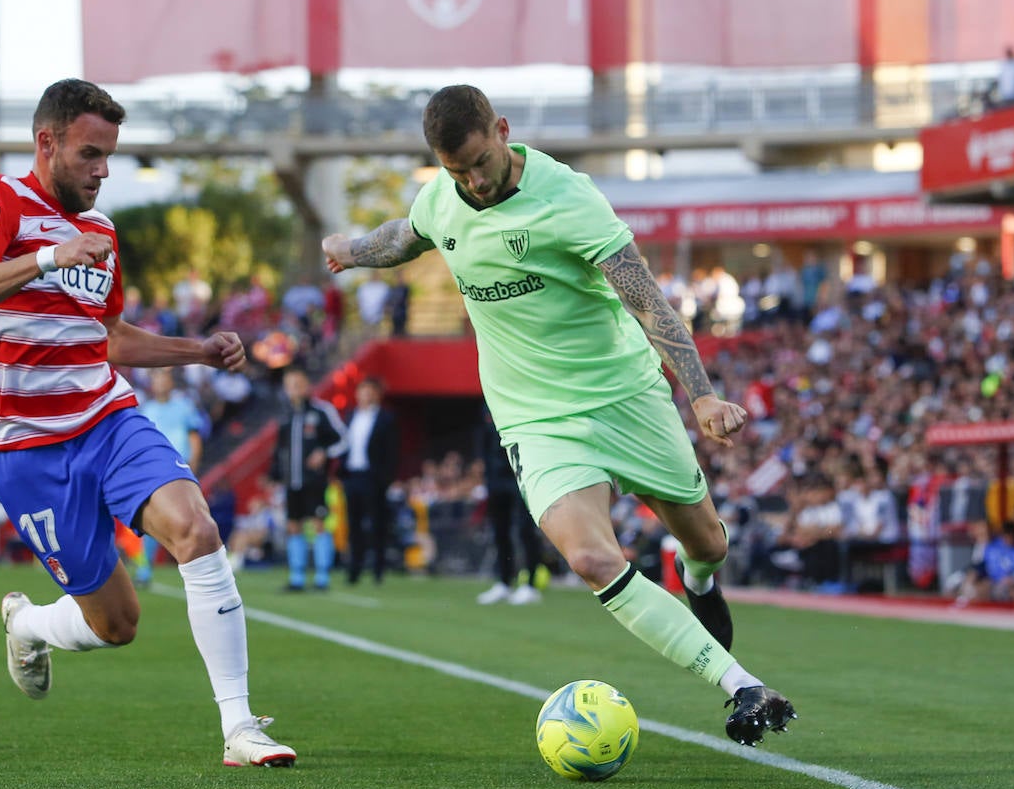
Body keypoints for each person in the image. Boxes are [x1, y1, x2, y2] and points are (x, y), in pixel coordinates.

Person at [321, 84, 796, 746]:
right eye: (457, 172)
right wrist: (352, 248)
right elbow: (408, 235)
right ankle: (742, 684)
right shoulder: (443, 197)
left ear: (502, 131)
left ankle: (698, 577)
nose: (473, 182)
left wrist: (703, 395)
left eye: (479, 164)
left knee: (708, 542)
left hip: (624, 395)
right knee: (591, 557)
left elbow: (647, 300)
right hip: (536, 421)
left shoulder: (568, 197)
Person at [0, 78, 295, 767]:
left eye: (109, 156)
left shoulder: (101, 230)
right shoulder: (2, 202)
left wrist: (197, 351)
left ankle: (239, 727)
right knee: (117, 623)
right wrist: (45, 256)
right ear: (48, 144)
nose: (103, 171)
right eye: (90, 154)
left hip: (106, 417)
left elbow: (107, 337)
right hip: (26, 450)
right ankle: (30, 623)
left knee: (196, 526)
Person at [269, 365, 347, 591]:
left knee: (318, 523)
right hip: (291, 480)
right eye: (290, 385)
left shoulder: (321, 411)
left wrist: (324, 452)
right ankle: (297, 576)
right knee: (294, 525)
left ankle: (323, 575)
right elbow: (279, 449)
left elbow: (342, 439)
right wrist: (274, 474)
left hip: (315, 480)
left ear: (306, 386)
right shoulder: (285, 415)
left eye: (298, 384)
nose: (294, 389)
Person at [134, 366, 209, 586]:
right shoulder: (146, 409)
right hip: (153, 470)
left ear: (171, 383)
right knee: (151, 519)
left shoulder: (184, 407)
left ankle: (195, 568)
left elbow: (194, 437)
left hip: (179, 467)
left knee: (189, 517)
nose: (161, 384)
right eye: (156, 380)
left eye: (164, 379)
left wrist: (193, 464)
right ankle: (145, 569)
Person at [477, 405, 548, 605]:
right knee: (499, 530)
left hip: (521, 474)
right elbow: (485, 439)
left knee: (525, 530)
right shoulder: (488, 400)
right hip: (496, 479)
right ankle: (504, 582)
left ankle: (530, 585)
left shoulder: (521, 397)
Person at [341, 376, 399, 585]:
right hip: (352, 476)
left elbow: (392, 451)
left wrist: (386, 478)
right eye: (362, 391)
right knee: (353, 525)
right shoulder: (349, 416)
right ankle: (354, 570)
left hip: (373, 478)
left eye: (369, 391)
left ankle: (378, 570)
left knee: (377, 525)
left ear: (377, 394)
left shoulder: (386, 418)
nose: (365, 395)